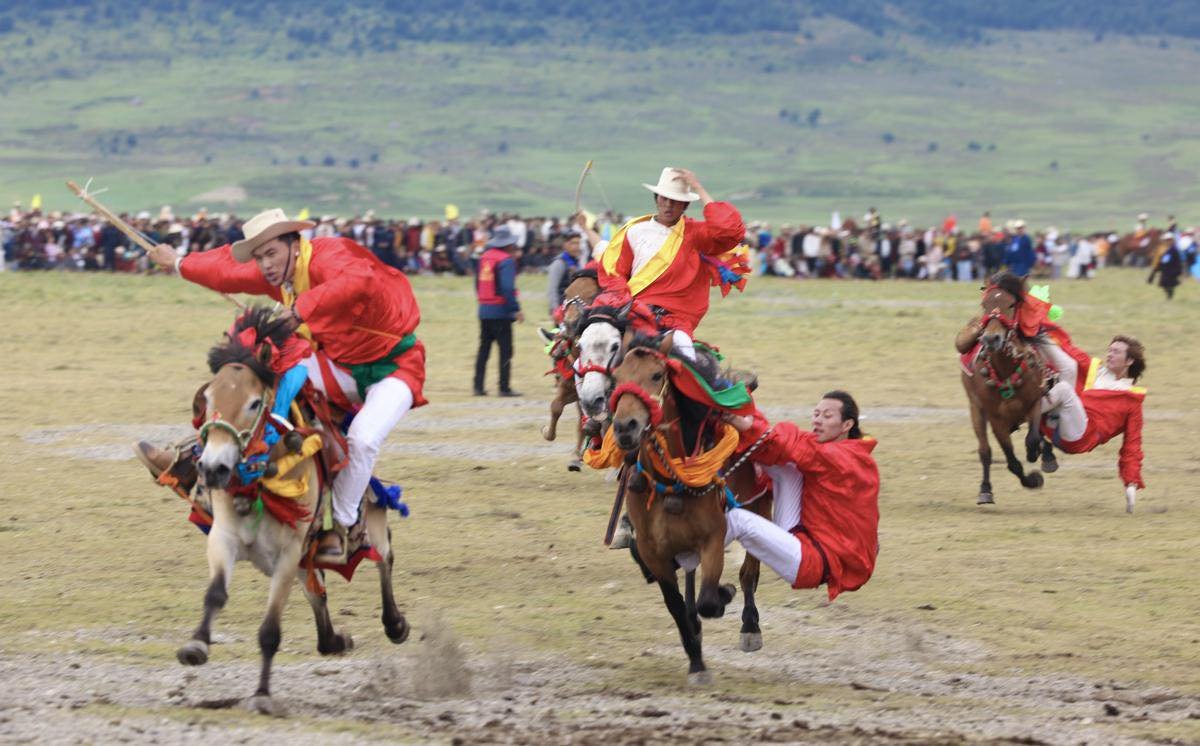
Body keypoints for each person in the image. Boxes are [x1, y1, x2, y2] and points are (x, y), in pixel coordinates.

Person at [139, 208, 427, 560]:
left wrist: (301, 310)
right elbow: (227, 270)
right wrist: (179, 263)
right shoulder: (279, 274)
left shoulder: (331, 255)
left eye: (271, 253)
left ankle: (343, 525)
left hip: (394, 369)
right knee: (264, 373)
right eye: (259, 257)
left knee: (364, 439)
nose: (266, 265)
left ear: (295, 244)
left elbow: (359, 280)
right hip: (337, 365)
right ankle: (205, 456)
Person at [722, 391, 879, 599]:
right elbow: (788, 447)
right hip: (802, 537)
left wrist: (736, 419)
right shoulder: (846, 452)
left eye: (827, 416)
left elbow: (792, 445)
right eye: (816, 413)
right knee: (788, 466)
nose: (818, 420)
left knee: (737, 520)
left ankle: (682, 558)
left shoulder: (842, 458)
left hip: (811, 563)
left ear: (847, 425)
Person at [594, 167, 746, 361]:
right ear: (656, 199)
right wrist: (625, 304)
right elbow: (613, 272)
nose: (668, 205)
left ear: (685, 206)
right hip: (633, 313)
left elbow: (729, 231)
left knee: (686, 359)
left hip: (675, 322)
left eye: (675, 201)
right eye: (663, 199)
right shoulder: (634, 231)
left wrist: (698, 188)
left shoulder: (697, 234)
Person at [1040, 336, 1146, 512]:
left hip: (1079, 438)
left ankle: (1025, 412)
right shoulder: (1095, 370)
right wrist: (1041, 325)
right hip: (1056, 426)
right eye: (1109, 350)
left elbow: (1132, 444)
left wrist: (1131, 483)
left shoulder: (1132, 400)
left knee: (1065, 390)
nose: (1109, 355)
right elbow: (1068, 348)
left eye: (1116, 352)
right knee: (1058, 357)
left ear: (1129, 361)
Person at [473, 225, 523, 396]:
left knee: (483, 350)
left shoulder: (484, 258)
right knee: (505, 350)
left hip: (484, 310)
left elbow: (477, 284)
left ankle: (478, 386)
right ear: (508, 244)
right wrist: (515, 309)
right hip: (501, 312)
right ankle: (504, 387)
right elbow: (508, 288)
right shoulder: (506, 260)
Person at [546, 232, 584, 316]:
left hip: (574, 308)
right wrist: (555, 309)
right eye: (573, 243)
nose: (577, 246)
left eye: (578, 243)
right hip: (561, 308)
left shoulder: (577, 262)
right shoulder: (559, 263)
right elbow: (552, 288)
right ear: (565, 245)